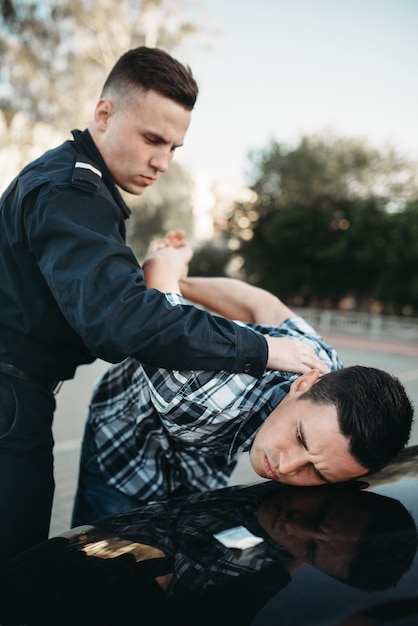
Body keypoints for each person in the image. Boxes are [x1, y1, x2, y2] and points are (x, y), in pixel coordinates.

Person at [0, 47, 326, 563]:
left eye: (174, 146)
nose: (163, 162)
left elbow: (104, 297)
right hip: (12, 397)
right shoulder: (72, 191)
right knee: (17, 571)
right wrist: (263, 349)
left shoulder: (83, 187)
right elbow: (120, 322)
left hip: (23, 394)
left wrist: (166, 271)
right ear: (103, 114)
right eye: (153, 139)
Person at [71, 231, 413, 527]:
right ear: (304, 383)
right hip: (124, 449)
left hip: (197, 461)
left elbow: (257, 305)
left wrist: (183, 285)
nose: (285, 466)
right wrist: (172, 264)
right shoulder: (199, 396)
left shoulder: (326, 372)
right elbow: (157, 285)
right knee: (98, 573)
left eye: (318, 474)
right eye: (300, 437)